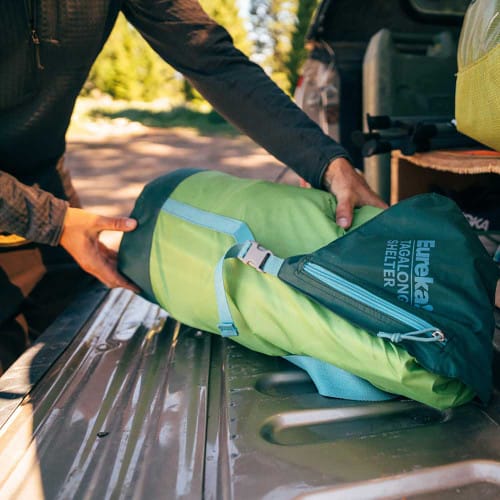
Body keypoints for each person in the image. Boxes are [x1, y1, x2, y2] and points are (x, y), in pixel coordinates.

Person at [0, 0, 386, 371]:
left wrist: (327, 162)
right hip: (48, 214)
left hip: (45, 185)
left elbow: (211, 59)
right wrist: (54, 221)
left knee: (65, 362)